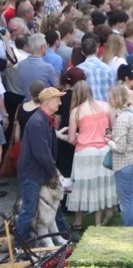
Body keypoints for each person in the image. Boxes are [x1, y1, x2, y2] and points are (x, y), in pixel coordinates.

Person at [16, 87, 68, 241]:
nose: (60, 103)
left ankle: (60, 235)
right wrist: (55, 172)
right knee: (28, 210)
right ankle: (20, 244)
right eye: (57, 99)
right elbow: (42, 153)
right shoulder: (38, 122)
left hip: (41, 171)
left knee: (53, 206)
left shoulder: (45, 119)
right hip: (32, 174)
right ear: (48, 102)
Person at [67, 80, 117, 230]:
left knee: (81, 186)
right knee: (100, 185)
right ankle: (100, 220)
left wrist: (81, 138)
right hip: (103, 150)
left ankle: (78, 222)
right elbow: (113, 129)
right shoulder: (106, 106)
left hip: (84, 153)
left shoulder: (76, 111)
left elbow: (71, 139)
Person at [104, 85, 133, 227]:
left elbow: (120, 148)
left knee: (125, 202)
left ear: (117, 99)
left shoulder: (122, 118)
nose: (108, 101)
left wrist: (108, 141)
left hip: (125, 164)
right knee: (130, 197)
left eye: (110, 98)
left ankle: (128, 232)